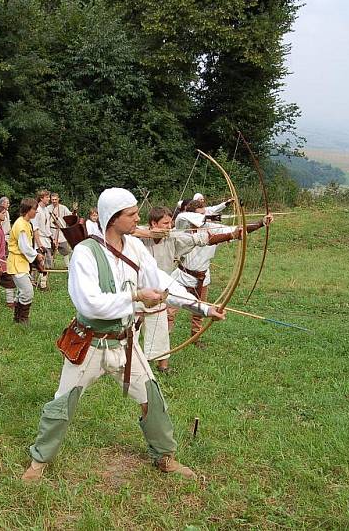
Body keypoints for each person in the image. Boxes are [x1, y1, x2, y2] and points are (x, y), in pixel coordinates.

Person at [21, 188, 226, 482]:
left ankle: (164, 455)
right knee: (61, 404)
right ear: (113, 218)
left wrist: (202, 307)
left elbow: (161, 281)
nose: (137, 218)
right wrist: (136, 297)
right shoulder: (84, 253)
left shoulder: (134, 247)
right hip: (90, 342)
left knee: (152, 399)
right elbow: (89, 303)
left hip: (126, 343)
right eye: (131, 214)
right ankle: (39, 460)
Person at [137, 206, 239, 372]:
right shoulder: (137, 238)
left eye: (170, 223)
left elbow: (201, 239)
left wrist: (233, 234)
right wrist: (148, 234)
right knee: (131, 328)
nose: (169, 227)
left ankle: (163, 366)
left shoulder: (173, 238)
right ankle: (126, 362)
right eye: (165, 223)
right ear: (153, 223)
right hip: (137, 290)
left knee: (160, 327)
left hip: (161, 288)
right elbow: (114, 231)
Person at [169, 199, 271, 345]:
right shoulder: (181, 227)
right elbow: (182, 218)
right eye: (200, 215)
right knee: (170, 311)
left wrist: (261, 223)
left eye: (204, 213)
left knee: (199, 311)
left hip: (202, 276)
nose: (204, 217)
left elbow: (238, 229)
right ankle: (165, 336)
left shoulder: (211, 227)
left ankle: (195, 338)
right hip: (182, 275)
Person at [7, 198, 45, 324]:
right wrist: (36, 256)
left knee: (22, 291)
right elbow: (25, 247)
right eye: (35, 209)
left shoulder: (26, 223)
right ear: (28, 210)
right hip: (17, 262)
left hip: (22, 262)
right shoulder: (21, 225)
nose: (36, 212)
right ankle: (23, 319)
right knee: (27, 291)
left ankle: (17, 319)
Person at [0, 204, 16, 308]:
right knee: (8, 281)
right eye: (3, 213)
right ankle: (10, 302)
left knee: (7, 281)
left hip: (2, 259)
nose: (5, 215)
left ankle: (10, 301)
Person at [31, 190, 52, 290]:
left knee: (47, 263)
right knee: (40, 263)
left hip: (46, 239)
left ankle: (42, 283)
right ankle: (34, 282)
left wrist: (52, 238)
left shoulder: (46, 210)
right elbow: (35, 228)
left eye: (49, 197)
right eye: (47, 197)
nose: (49, 199)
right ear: (41, 198)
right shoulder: (37, 210)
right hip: (40, 240)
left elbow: (47, 226)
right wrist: (39, 244)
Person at [48, 192, 72, 267]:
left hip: (61, 232)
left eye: (55, 199)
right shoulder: (48, 208)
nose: (54, 201)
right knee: (50, 251)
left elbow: (70, 216)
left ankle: (68, 267)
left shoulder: (63, 208)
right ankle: (49, 267)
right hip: (51, 232)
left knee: (65, 250)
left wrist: (74, 213)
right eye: (52, 199)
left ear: (58, 199)